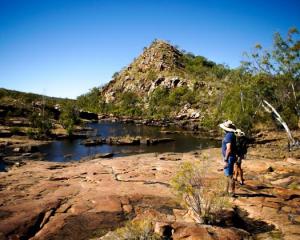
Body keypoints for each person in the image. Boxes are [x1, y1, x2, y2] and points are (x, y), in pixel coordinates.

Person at [219, 120, 237, 197]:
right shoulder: (231, 134)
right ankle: (226, 191)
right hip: (230, 157)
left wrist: (226, 159)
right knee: (228, 175)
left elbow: (228, 149)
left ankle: (231, 192)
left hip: (229, 158)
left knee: (229, 175)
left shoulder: (229, 136)